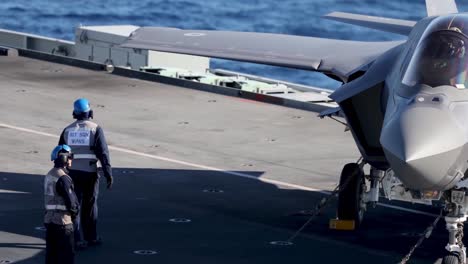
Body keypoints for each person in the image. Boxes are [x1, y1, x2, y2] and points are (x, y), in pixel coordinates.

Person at [59, 98, 113, 249]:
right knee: (90, 205)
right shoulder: (95, 128)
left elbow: (60, 152)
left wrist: (61, 174)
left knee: (73, 206)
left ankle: (77, 239)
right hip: (90, 172)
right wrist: (108, 173)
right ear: (89, 112)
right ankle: (92, 237)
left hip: (71, 174)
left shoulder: (67, 130)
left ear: (74, 113)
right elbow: (103, 153)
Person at [44, 145, 79, 264]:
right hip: (63, 223)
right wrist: (74, 214)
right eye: (70, 156)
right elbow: (72, 202)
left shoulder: (50, 174)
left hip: (49, 221)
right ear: (63, 158)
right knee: (66, 257)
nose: (71, 159)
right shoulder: (63, 178)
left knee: (52, 257)